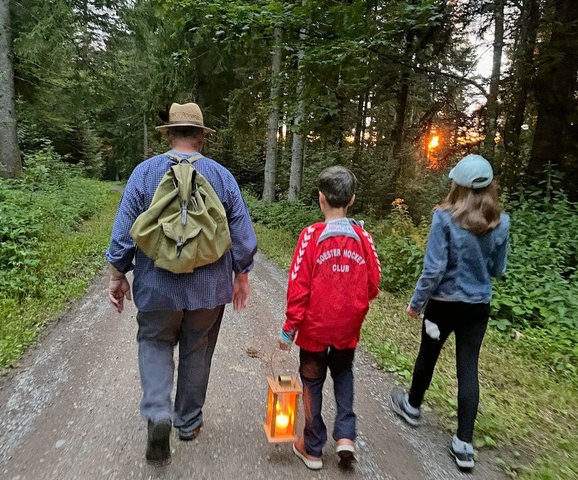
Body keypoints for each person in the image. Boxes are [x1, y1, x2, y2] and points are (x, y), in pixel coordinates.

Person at [106, 102, 257, 466]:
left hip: (158, 286)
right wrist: (242, 274)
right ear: (202, 137)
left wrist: (117, 275)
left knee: (155, 341)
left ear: (169, 134)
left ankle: (159, 412)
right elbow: (242, 236)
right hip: (208, 289)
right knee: (197, 349)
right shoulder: (222, 177)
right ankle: (188, 423)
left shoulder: (145, 173)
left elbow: (125, 230)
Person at [390, 154, 509, 471]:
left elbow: (434, 269)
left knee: (427, 355)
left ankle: (412, 407)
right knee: (468, 368)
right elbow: (499, 269)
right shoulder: (502, 222)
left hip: (442, 305)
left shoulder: (444, 218)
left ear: (457, 185)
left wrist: (416, 304)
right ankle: (464, 445)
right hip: (477, 308)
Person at [278, 166, 381, 470]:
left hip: (313, 330)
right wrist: (354, 305)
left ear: (321, 198)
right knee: (344, 373)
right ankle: (346, 436)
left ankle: (312, 448)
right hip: (347, 328)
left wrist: (289, 329)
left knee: (311, 381)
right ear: (352, 199)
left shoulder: (311, 236)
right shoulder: (363, 237)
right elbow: (374, 281)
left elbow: (298, 286)